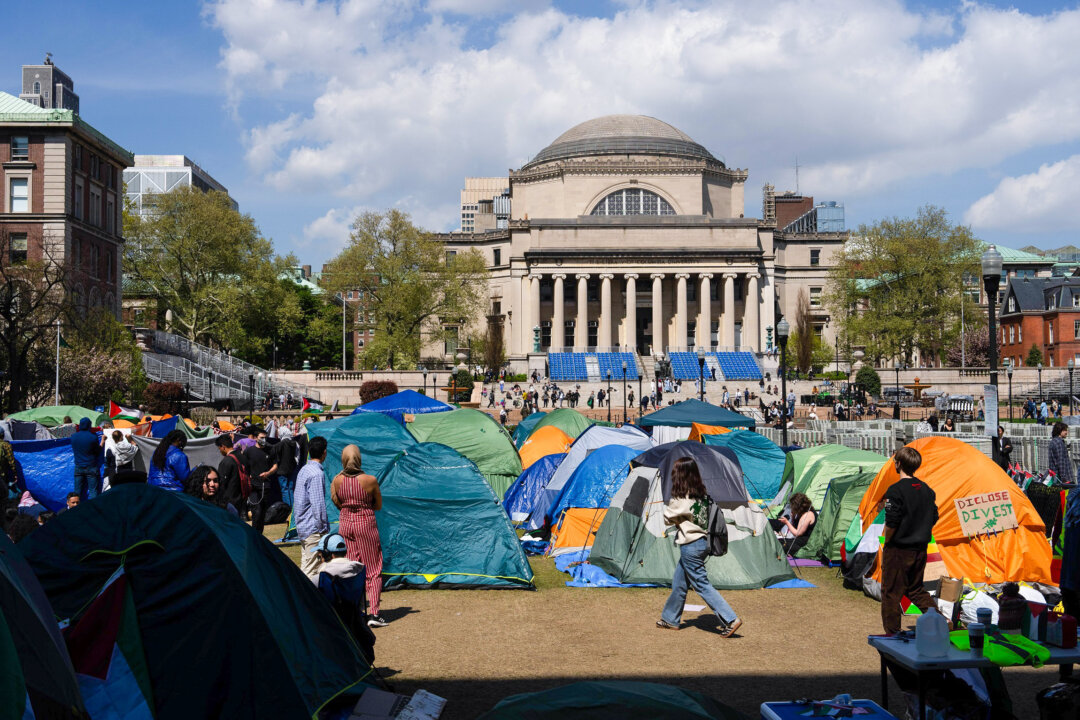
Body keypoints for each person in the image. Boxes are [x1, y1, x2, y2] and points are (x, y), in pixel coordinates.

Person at [656, 457, 742, 637]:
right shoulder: (702, 495)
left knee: (701, 584)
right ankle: (670, 619)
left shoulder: (681, 497)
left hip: (690, 546)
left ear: (679, 475)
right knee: (679, 582)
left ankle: (730, 618)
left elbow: (666, 517)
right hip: (703, 544)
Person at [880, 447, 938, 634]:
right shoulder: (927, 490)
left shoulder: (895, 491)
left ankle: (892, 634)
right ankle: (941, 622)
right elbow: (934, 516)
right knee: (915, 590)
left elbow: (892, 520)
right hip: (920, 548)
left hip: (898, 549)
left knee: (891, 593)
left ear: (898, 464)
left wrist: (886, 542)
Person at [332, 445, 386, 627]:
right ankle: (374, 614)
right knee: (373, 568)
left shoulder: (337, 480)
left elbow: (337, 502)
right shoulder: (370, 480)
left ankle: (353, 610)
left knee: (351, 567)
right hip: (365, 523)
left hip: (346, 523)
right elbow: (378, 505)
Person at [294, 436, 330, 577]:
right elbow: (318, 505)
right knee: (311, 570)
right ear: (324, 452)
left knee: (307, 565)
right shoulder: (316, 474)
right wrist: (323, 529)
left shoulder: (305, 469)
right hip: (312, 529)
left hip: (303, 526)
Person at [244, 430, 276, 535]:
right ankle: (253, 534)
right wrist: (247, 476)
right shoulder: (249, 451)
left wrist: (268, 473)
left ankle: (259, 535)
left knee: (262, 513)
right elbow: (244, 466)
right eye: (261, 437)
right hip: (253, 486)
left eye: (265, 438)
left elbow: (275, 465)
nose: (264, 440)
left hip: (265, 485)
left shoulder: (270, 450)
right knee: (256, 512)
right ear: (256, 438)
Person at [70, 417, 102, 501]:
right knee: (93, 491)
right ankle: (92, 510)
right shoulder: (93, 437)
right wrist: (102, 442)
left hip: (78, 466)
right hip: (91, 466)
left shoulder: (73, 437)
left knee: (77, 491)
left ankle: (76, 509)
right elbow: (97, 451)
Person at [216, 434, 246, 511]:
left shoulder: (226, 461)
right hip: (243, 497)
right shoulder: (243, 457)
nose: (220, 451)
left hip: (229, 500)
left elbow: (221, 483)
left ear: (223, 447)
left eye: (219, 449)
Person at [271, 429, 299, 507]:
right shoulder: (295, 443)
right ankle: (293, 508)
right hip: (292, 469)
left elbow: (274, 455)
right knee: (291, 489)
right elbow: (297, 457)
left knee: (284, 490)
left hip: (281, 471)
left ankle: (288, 508)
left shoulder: (279, 445)